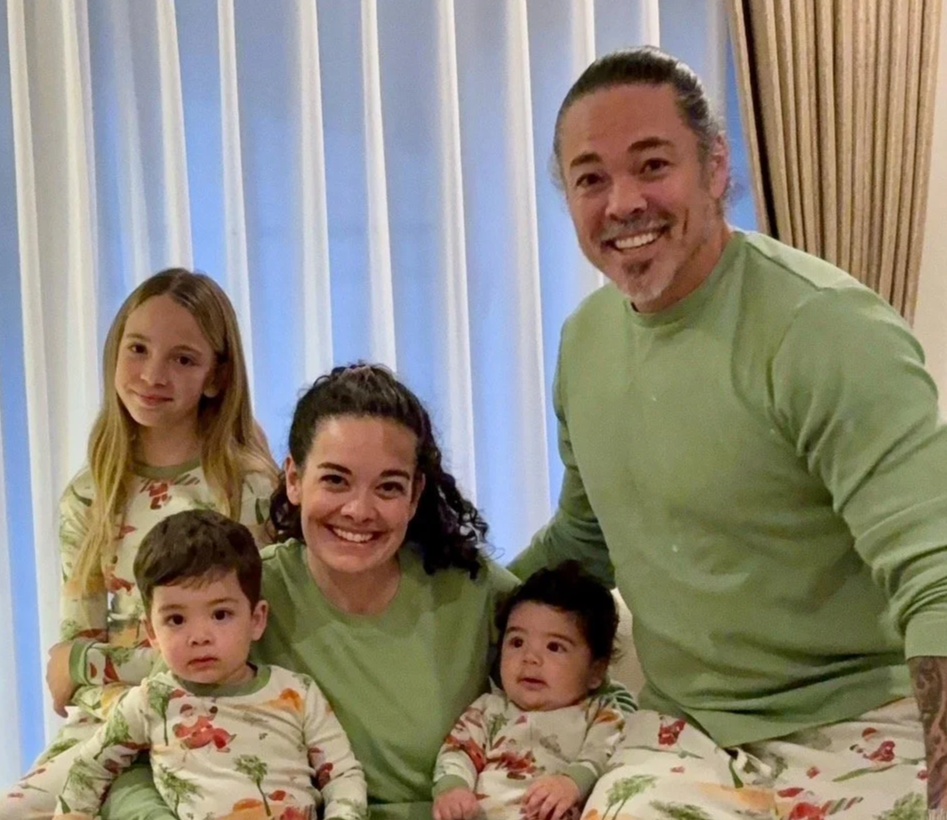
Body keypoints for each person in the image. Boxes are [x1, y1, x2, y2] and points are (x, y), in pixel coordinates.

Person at [510, 46, 947, 817]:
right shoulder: (582, 344)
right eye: (589, 179)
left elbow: (934, 569)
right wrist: (431, 588)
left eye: (651, 165)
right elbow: (586, 539)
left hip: (859, 718)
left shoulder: (825, 330)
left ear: (714, 167)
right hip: (682, 729)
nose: (621, 203)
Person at [102, 363, 519, 820]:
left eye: (388, 487)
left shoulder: (470, 587)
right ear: (295, 480)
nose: (359, 510)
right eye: (335, 480)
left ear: (415, 495)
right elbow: (136, 759)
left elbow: (590, 674)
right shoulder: (233, 595)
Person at [0, 269, 279, 820]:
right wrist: (94, 671)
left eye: (183, 359)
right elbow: (74, 654)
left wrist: (88, 663)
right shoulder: (89, 496)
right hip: (114, 725)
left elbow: (243, 646)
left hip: (221, 722)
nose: (152, 374)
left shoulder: (248, 491)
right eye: (137, 349)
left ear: (216, 377)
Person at [51, 509, 366, 820]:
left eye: (220, 615)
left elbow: (342, 774)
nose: (199, 637)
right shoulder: (149, 702)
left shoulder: (297, 693)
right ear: (152, 633)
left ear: (257, 619)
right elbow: (91, 767)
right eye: (176, 619)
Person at [432, 561, 633, 820]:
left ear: (596, 671)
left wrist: (572, 783)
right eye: (517, 642)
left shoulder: (600, 714)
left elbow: (604, 753)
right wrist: (453, 789)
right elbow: (458, 751)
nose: (530, 658)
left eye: (554, 647)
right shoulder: (487, 710)